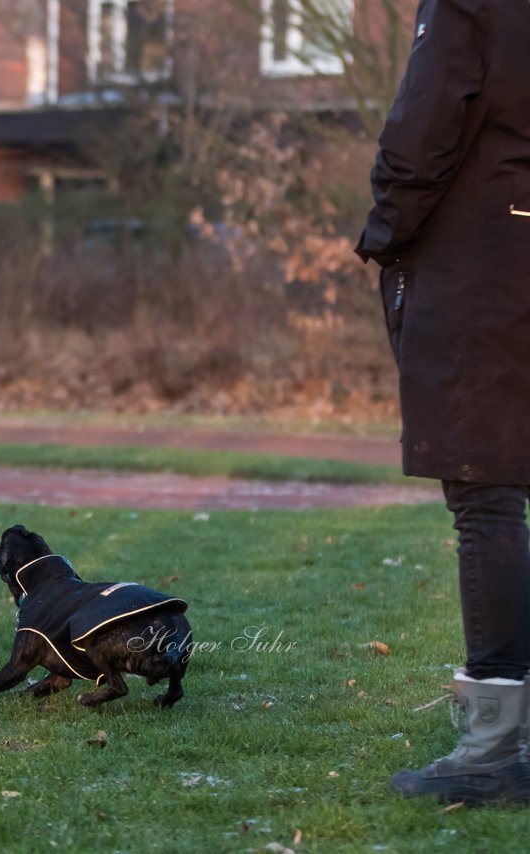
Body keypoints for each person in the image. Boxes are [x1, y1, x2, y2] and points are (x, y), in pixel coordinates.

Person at [356, 0, 530, 805]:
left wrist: (386, 231)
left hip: (482, 263)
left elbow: (426, 123)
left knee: (485, 492)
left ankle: (495, 745)